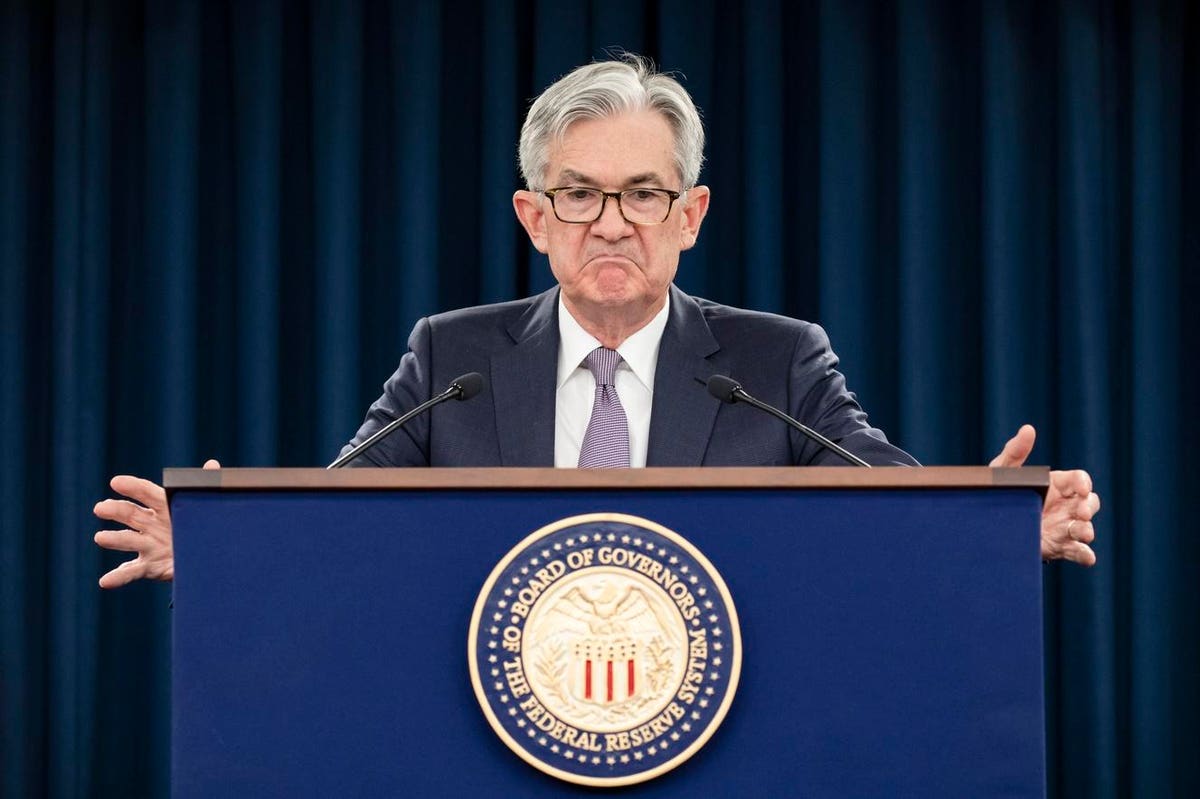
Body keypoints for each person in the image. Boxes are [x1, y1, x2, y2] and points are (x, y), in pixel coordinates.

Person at [93, 55, 1100, 588]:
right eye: (578, 193)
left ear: (690, 215)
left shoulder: (777, 362)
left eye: (643, 194)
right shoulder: (452, 357)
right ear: (534, 217)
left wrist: (995, 527)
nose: (611, 222)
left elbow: (884, 499)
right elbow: (340, 513)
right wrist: (228, 546)